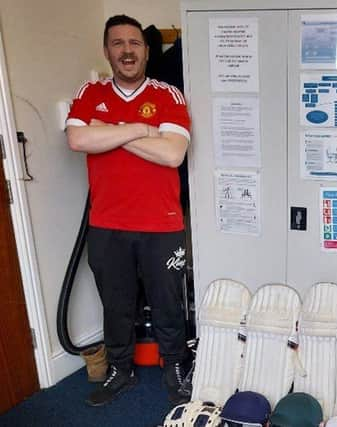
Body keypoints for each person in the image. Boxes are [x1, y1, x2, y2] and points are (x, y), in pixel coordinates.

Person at [66, 14, 191, 406]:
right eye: (117, 43)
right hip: (107, 223)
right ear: (107, 51)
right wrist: (139, 129)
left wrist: (111, 130)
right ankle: (121, 371)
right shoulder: (90, 91)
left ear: (146, 50)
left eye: (134, 43)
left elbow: (172, 153)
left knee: (168, 301)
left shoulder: (168, 95)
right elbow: (77, 138)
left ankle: (175, 367)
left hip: (161, 222)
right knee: (116, 304)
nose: (126, 50)